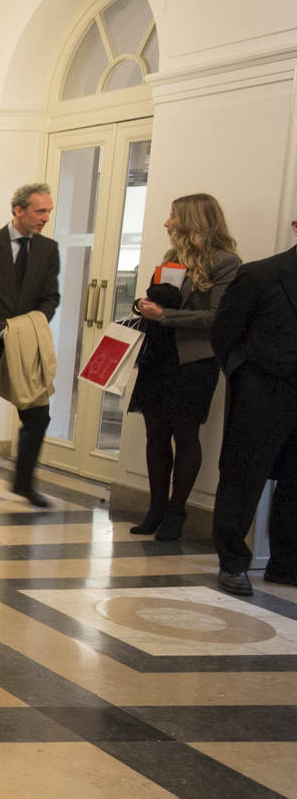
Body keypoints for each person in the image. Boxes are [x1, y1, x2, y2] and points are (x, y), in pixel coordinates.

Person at [128, 193, 241, 542]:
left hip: (193, 361)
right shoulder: (171, 258)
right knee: (155, 434)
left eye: (173, 216)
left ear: (193, 221)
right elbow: (155, 302)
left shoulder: (226, 263)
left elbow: (217, 316)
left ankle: (177, 512)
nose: (166, 222)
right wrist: (142, 306)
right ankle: (156, 508)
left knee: (185, 435)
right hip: (157, 355)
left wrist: (165, 316)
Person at [209, 213, 297, 598]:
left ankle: (287, 564)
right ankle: (232, 562)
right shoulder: (261, 274)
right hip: (262, 390)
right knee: (243, 478)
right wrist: (243, 376)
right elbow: (224, 333)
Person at [0, 182, 61, 512]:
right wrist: (2, 330)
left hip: (27, 349)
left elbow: (50, 297)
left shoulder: (48, 250)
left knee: (38, 416)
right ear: (19, 210)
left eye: (48, 211)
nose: (46, 217)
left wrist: (28, 329)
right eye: (40, 211)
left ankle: (25, 483)